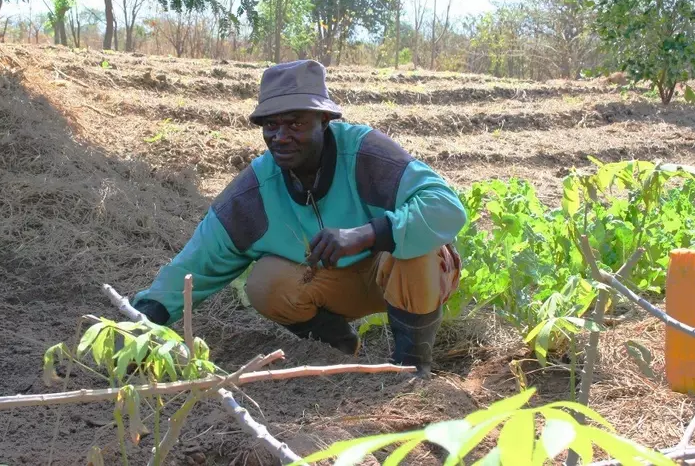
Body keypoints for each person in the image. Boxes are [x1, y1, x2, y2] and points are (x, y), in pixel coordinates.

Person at [131, 60, 467, 377]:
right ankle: (338, 347)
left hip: (398, 276)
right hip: (335, 287)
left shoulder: (365, 154)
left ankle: (410, 368)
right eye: (271, 126)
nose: (280, 137)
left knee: (420, 248)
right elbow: (198, 260)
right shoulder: (256, 189)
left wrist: (364, 235)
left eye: (295, 123)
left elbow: (446, 206)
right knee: (265, 283)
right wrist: (145, 319)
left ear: (323, 120)